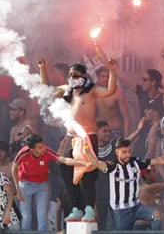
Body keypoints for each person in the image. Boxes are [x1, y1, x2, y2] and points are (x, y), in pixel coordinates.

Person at [38, 59, 118, 222]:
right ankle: (76, 207)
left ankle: (89, 208)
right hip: (70, 136)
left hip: (88, 135)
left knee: (88, 172)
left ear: (84, 76)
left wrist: (112, 71)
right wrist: (43, 68)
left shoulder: (92, 90)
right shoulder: (66, 90)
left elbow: (110, 90)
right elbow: (46, 89)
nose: (72, 77)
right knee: (65, 168)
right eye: (70, 74)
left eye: (76, 74)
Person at [85, 137, 164, 230]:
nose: (128, 155)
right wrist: (87, 151)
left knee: (157, 215)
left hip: (137, 206)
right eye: (124, 152)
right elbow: (96, 163)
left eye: (129, 151)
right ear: (117, 152)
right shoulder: (113, 166)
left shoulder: (135, 162)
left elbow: (154, 161)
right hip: (120, 210)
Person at [12, 134, 83, 231]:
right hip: (25, 184)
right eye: (40, 147)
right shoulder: (23, 153)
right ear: (32, 150)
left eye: (43, 145)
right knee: (26, 216)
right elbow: (14, 168)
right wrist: (18, 189)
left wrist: (82, 163)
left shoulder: (47, 151)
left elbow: (62, 159)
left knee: (42, 214)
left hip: (41, 185)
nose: (43, 149)